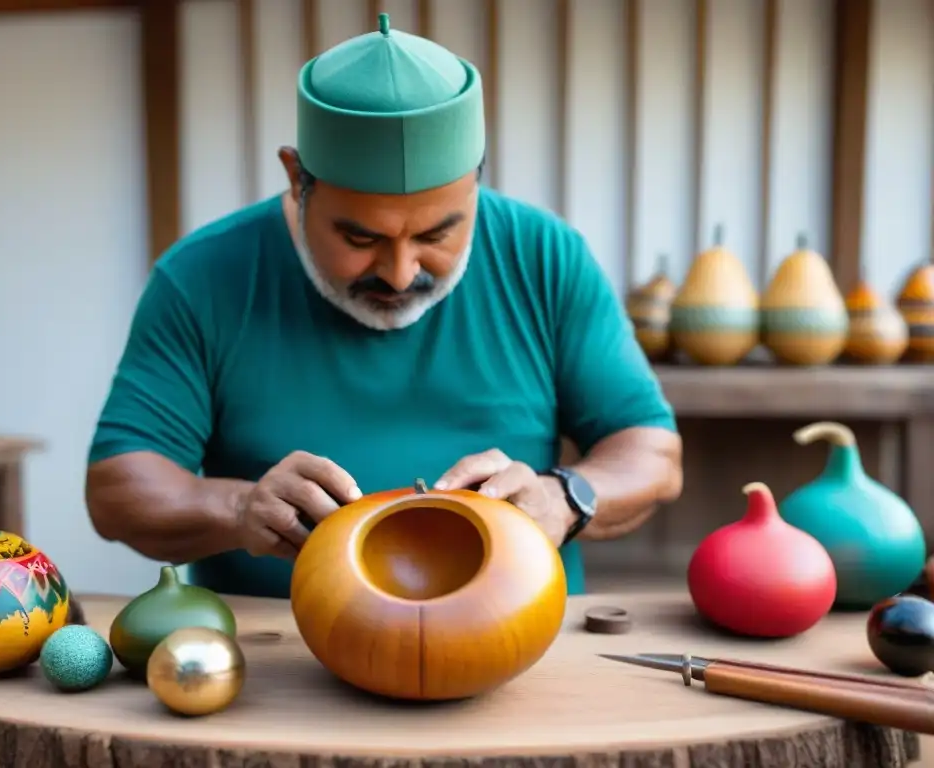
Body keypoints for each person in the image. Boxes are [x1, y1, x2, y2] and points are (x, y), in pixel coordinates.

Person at [85, 14, 683, 598]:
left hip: (516, 642)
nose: (400, 274)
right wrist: (241, 506)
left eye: (436, 236)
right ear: (298, 180)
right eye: (360, 239)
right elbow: (118, 489)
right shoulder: (205, 275)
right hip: (278, 655)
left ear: (475, 181)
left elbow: (652, 453)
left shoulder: (543, 255)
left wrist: (565, 496)